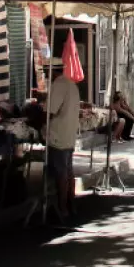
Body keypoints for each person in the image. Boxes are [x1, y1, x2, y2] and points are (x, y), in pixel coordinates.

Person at [45, 59, 81, 222]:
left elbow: (50, 111)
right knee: (68, 172)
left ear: (52, 71)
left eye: (47, 72)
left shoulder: (59, 85)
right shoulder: (71, 84)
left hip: (59, 135)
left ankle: (63, 208)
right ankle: (72, 205)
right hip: (69, 135)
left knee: (61, 174)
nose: (46, 75)